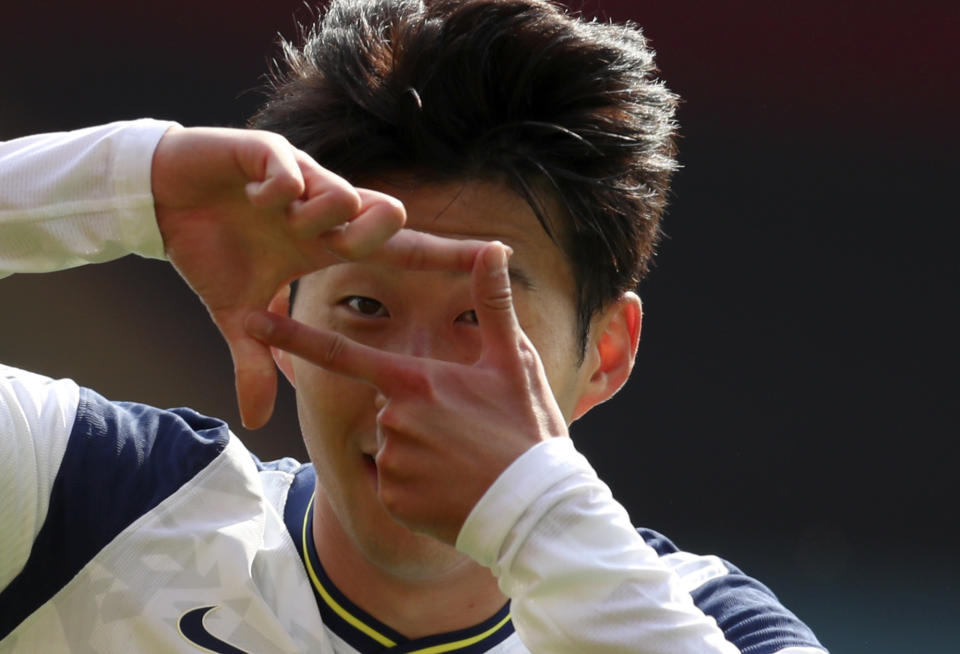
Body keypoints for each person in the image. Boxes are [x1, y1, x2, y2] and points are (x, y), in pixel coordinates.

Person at [0, 1, 827, 652]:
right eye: (367, 308)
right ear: (282, 309)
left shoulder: (708, 623)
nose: (414, 380)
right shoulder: (80, 501)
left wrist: (533, 514)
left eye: (480, 316)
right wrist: (123, 185)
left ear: (604, 355)